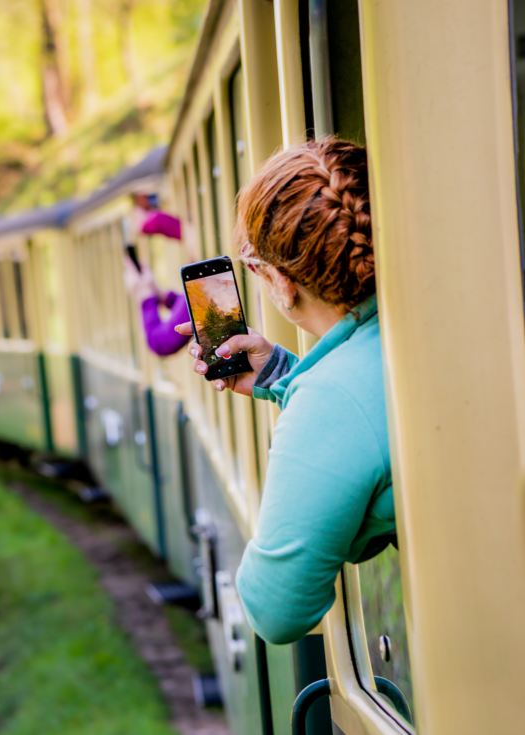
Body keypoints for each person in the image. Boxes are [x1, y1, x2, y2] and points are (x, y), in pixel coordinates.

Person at [175, 137, 395, 645]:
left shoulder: (331, 402)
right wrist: (281, 375)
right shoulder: (406, 332)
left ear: (281, 282)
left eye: (253, 265)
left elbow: (275, 611)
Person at [123, 202, 192, 357]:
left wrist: (145, 295)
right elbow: (188, 307)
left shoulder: (211, 275)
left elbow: (161, 342)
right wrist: (161, 295)